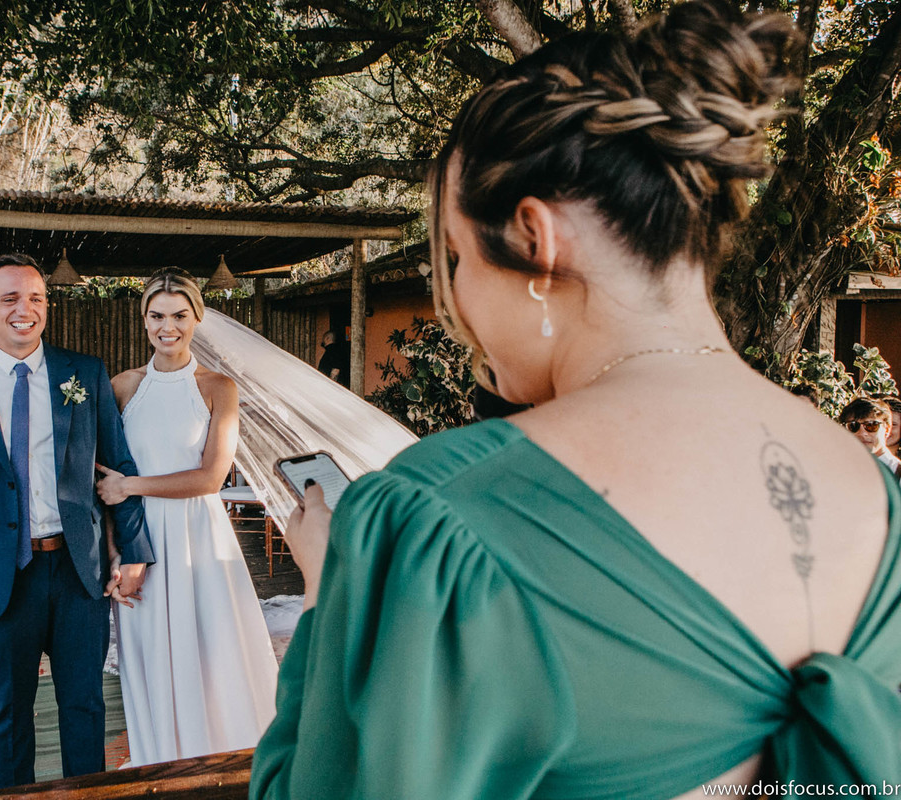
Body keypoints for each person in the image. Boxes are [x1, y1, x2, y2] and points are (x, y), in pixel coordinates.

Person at [251, 2, 901, 797]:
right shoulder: (877, 497)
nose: (455, 295)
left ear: (534, 239)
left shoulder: (440, 523)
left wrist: (328, 595)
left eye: (455, 255)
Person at [0, 254, 153, 790]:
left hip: (77, 572)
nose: (26, 310)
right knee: (7, 716)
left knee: (85, 708)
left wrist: (134, 551)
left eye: (37, 298)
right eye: (11, 298)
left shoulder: (84, 373)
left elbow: (120, 468)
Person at [96, 267, 278, 767]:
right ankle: (161, 761)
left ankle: (220, 761)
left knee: (210, 653)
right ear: (144, 319)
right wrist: (117, 554)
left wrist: (129, 486)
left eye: (179, 315)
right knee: (152, 656)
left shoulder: (219, 387)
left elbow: (211, 477)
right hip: (141, 541)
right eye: (157, 315)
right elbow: (102, 482)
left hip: (198, 537)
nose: (167, 326)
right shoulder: (123, 387)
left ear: (197, 317)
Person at [838, 397, 901, 478]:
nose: (862, 433)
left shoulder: (897, 472)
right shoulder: (839, 468)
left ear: (887, 429)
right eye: (853, 426)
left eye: (871, 425)